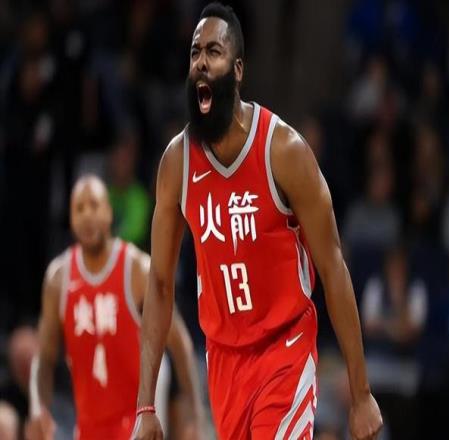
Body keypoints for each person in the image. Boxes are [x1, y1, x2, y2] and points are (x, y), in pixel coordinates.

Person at [135, 3, 382, 439]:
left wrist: (361, 394)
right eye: (194, 52)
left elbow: (333, 268)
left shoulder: (284, 150)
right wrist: (145, 406)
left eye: (213, 51)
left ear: (238, 69)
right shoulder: (177, 162)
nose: (201, 62)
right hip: (224, 359)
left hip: (285, 347)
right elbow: (158, 282)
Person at [27, 175, 204, 440]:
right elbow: (44, 357)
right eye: (79, 208)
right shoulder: (58, 280)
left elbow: (180, 344)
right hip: (89, 424)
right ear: (71, 220)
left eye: (94, 205)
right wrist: (37, 406)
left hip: (135, 418)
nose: (87, 215)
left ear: (109, 213)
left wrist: (194, 415)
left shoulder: (137, 269)